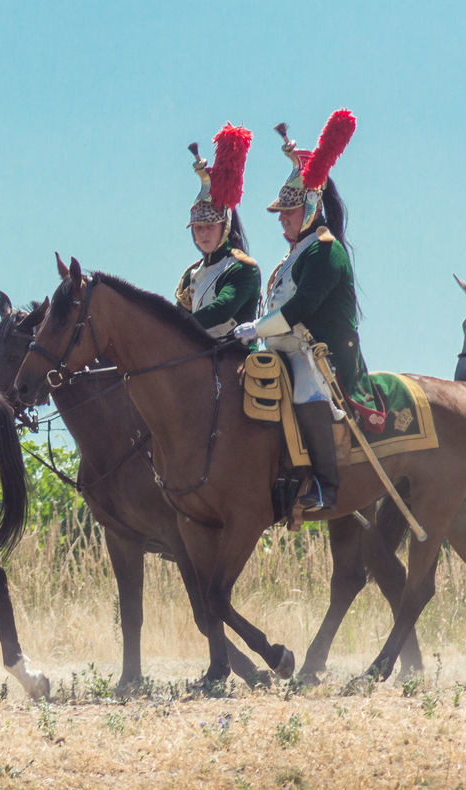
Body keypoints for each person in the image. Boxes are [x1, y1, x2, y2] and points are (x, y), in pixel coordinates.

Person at [234, 110, 378, 512]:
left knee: (303, 383)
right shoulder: (293, 253)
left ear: (312, 205)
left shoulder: (325, 249)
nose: (282, 220)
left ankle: (326, 486)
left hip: (319, 354)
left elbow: (300, 308)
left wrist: (256, 327)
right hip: (284, 344)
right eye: (281, 213)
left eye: (289, 212)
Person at [175, 124, 259, 336]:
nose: (203, 234)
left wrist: (176, 327)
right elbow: (175, 315)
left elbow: (223, 310)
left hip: (234, 357)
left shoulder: (242, 268)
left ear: (225, 226)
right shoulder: (191, 274)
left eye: (209, 226)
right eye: (198, 228)